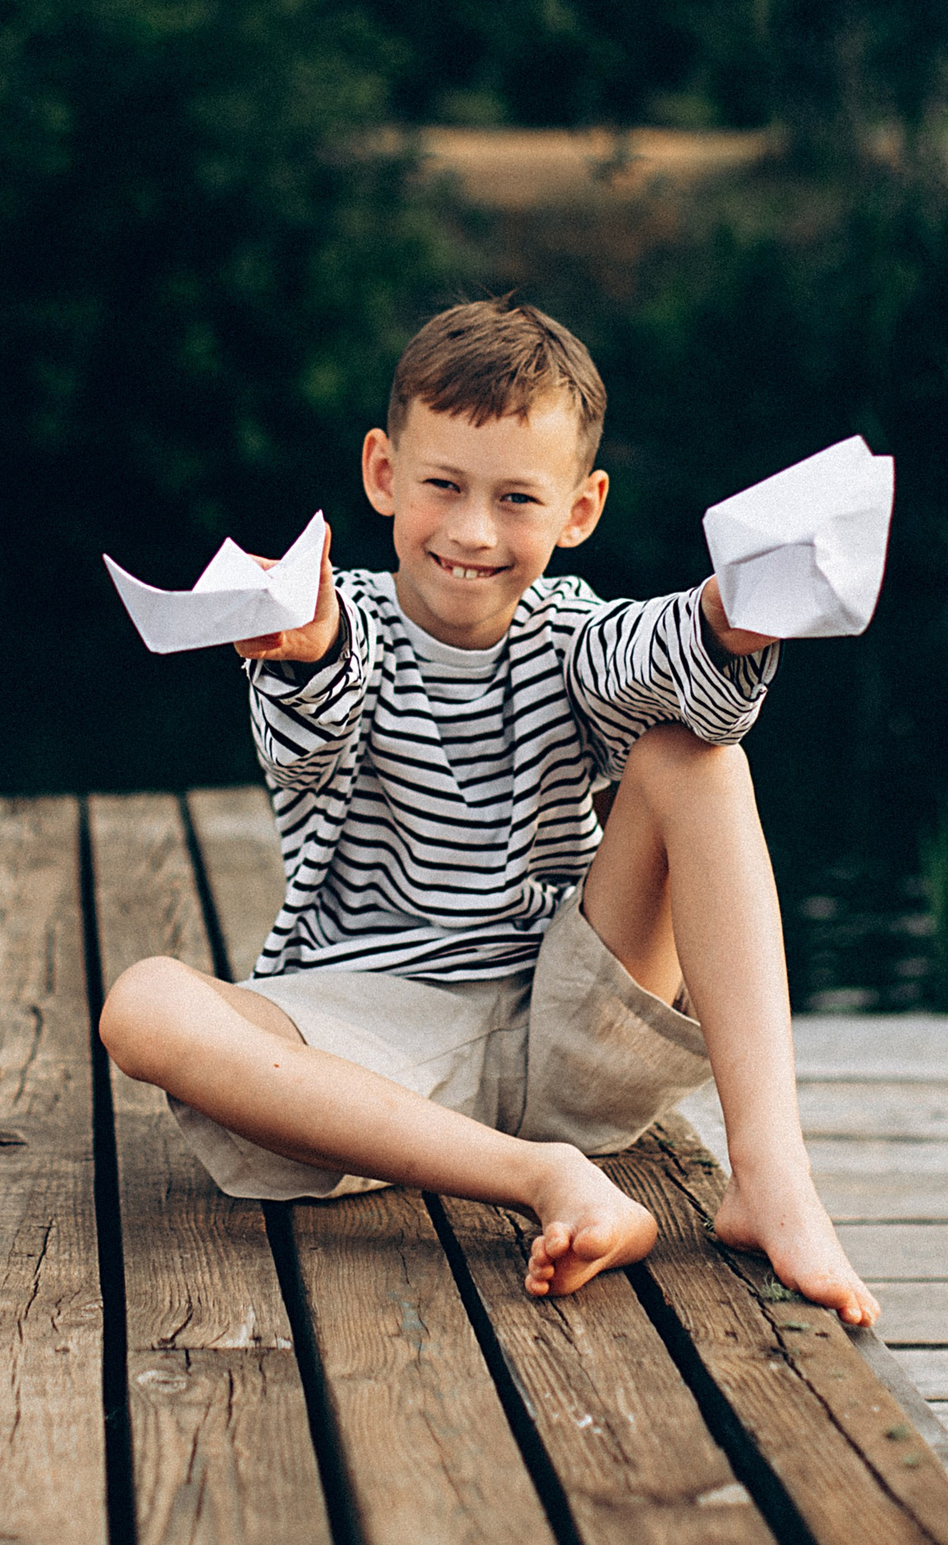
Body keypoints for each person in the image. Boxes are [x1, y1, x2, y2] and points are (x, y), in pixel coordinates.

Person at [97, 298, 878, 1325]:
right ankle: (537, 1177)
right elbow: (318, 715)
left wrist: (723, 617)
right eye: (442, 486)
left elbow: (651, 653)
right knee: (144, 1003)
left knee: (698, 753)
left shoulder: (575, 633)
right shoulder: (341, 628)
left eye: (517, 498)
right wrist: (308, 645)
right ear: (383, 473)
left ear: (580, 509)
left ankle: (771, 1175)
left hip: (567, 1026)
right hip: (371, 1050)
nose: (472, 530)